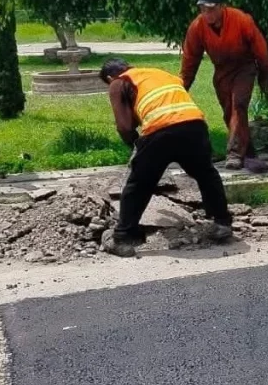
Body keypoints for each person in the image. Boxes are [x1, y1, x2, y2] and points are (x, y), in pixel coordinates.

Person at [99, 57, 234, 257]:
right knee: (206, 174)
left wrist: (135, 145)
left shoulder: (118, 82)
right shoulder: (159, 74)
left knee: (139, 184)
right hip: (195, 126)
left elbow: (125, 126)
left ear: (110, 77)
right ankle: (222, 223)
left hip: (159, 131)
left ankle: (123, 237)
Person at [180, 0, 268, 173]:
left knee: (239, 104)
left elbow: (261, 50)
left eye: (211, 9)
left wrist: (264, 75)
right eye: (203, 9)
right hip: (222, 72)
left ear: (222, 7)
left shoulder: (241, 20)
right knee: (229, 112)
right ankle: (249, 151)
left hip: (244, 67)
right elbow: (190, 60)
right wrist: (181, 88)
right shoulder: (197, 27)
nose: (207, 14)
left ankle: (235, 154)